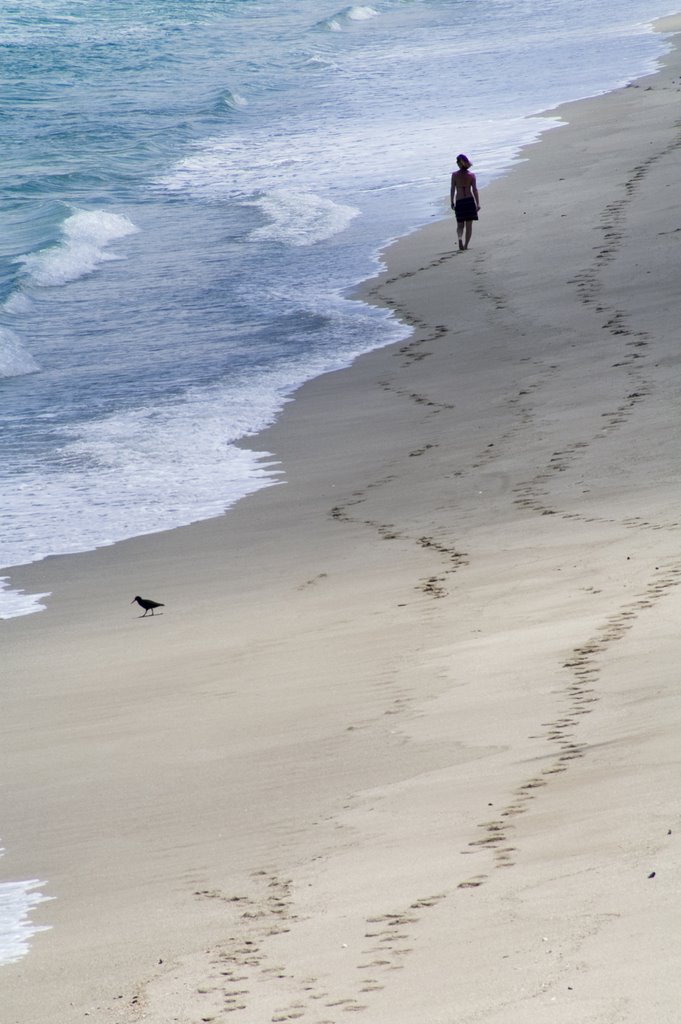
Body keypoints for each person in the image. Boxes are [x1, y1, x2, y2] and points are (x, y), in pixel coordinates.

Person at [450, 154, 480, 251]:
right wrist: (478, 203)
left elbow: (452, 189)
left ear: (460, 163)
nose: (456, 163)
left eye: (457, 161)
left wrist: (451, 202)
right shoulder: (471, 175)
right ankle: (466, 245)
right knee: (469, 225)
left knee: (460, 225)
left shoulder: (454, 175)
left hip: (460, 201)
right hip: (469, 201)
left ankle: (460, 239)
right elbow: (475, 190)